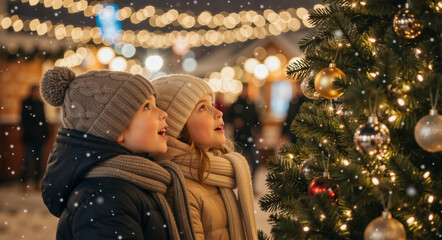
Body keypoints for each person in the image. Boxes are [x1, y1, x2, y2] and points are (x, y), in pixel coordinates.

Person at [40, 67, 194, 240]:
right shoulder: (105, 200)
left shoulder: (133, 179)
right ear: (115, 129)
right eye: (147, 107)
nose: (163, 113)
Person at [152, 75, 257, 240]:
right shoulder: (181, 190)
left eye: (212, 105)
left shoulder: (214, 172)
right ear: (177, 128)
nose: (218, 112)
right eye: (202, 108)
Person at [224, 83, 261, 180]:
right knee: (237, 163)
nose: (245, 91)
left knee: (255, 162)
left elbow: (257, 121)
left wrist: (258, 133)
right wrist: (234, 121)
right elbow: (227, 118)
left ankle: (251, 183)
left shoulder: (251, 104)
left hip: (250, 138)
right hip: (238, 138)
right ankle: (240, 183)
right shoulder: (235, 104)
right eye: (244, 89)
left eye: (247, 89)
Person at [21, 84, 49, 191]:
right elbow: (24, 120)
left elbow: (43, 119)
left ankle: (37, 182)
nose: (37, 94)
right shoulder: (25, 103)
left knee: (39, 161)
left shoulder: (40, 104)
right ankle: (24, 183)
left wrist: (45, 134)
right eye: (36, 91)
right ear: (31, 92)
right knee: (27, 161)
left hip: (39, 138)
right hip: (29, 137)